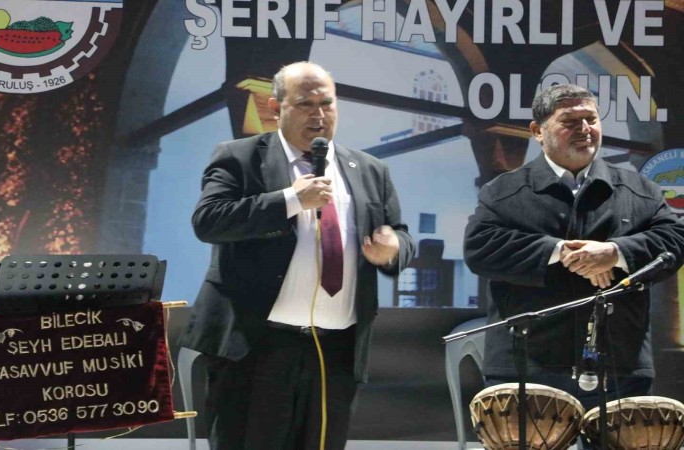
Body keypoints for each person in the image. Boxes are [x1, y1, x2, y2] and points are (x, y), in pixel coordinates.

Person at [178, 61, 414, 450]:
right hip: (257, 348)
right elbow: (209, 221)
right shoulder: (240, 157)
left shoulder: (370, 169)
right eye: (305, 104)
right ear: (276, 108)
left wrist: (393, 249)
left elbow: (400, 235)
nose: (319, 115)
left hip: (336, 352)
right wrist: (291, 199)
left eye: (327, 103)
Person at [464, 84, 684, 409]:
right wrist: (560, 252)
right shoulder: (502, 191)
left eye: (591, 120)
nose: (584, 129)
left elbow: (675, 240)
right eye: (569, 121)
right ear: (537, 131)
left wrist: (615, 253)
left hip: (620, 367)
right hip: (526, 368)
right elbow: (479, 249)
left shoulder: (640, 189)